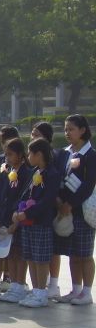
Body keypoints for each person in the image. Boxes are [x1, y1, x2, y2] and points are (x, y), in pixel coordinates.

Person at [13, 138, 61, 307]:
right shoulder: (34, 171)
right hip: (27, 222)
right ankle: (35, 290)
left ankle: (42, 292)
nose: (28, 156)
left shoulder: (52, 174)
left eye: (30, 153)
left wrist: (28, 213)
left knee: (41, 258)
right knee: (31, 256)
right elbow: (25, 194)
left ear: (39, 154)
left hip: (41, 221)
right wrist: (18, 210)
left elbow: (47, 200)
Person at [54, 114, 96, 305]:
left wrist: (71, 204)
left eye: (71, 129)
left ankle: (87, 292)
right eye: (66, 129)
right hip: (64, 210)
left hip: (82, 211)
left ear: (83, 130)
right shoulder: (64, 153)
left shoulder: (91, 155)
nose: (67, 133)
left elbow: (88, 185)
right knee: (72, 253)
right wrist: (60, 202)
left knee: (85, 253)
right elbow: (58, 179)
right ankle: (75, 288)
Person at [31, 121, 69, 299]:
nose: (33, 137)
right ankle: (40, 283)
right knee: (39, 249)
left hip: (54, 204)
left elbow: (60, 178)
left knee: (52, 248)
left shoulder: (58, 155)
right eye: (32, 134)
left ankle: (53, 283)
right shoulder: (33, 157)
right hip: (38, 207)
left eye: (36, 134)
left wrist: (59, 200)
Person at [0, 138, 33, 303]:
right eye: (6, 154)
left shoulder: (27, 173)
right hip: (4, 217)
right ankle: (13, 284)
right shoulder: (6, 172)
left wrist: (15, 221)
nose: (7, 158)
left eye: (10, 154)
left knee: (20, 253)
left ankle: (19, 284)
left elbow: (23, 198)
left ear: (20, 154)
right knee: (10, 253)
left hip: (17, 220)